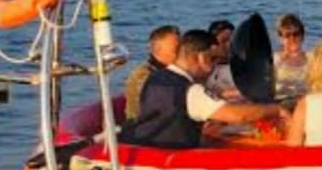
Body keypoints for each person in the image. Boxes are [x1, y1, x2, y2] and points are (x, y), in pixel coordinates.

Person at [122, 28, 285, 149]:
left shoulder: (156, 77)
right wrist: (276, 109)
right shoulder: (189, 91)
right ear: (198, 57)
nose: (215, 66)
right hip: (172, 158)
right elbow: (237, 115)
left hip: (146, 149)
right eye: (212, 58)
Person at [123, 24, 180, 122]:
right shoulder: (143, 76)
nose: (181, 53)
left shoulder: (172, 72)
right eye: (176, 50)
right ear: (158, 49)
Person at [273, 13, 309, 101]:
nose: (292, 38)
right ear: (281, 38)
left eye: (296, 34)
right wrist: (281, 59)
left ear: (303, 36)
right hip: (281, 101)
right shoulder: (274, 59)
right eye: (287, 35)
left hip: (304, 101)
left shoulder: (311, 59)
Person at [205, 18, 237, 99]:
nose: (229, 45)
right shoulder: (204, 68)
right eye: (224, 41)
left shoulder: (242, 65)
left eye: (233, 41)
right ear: (212, 44)